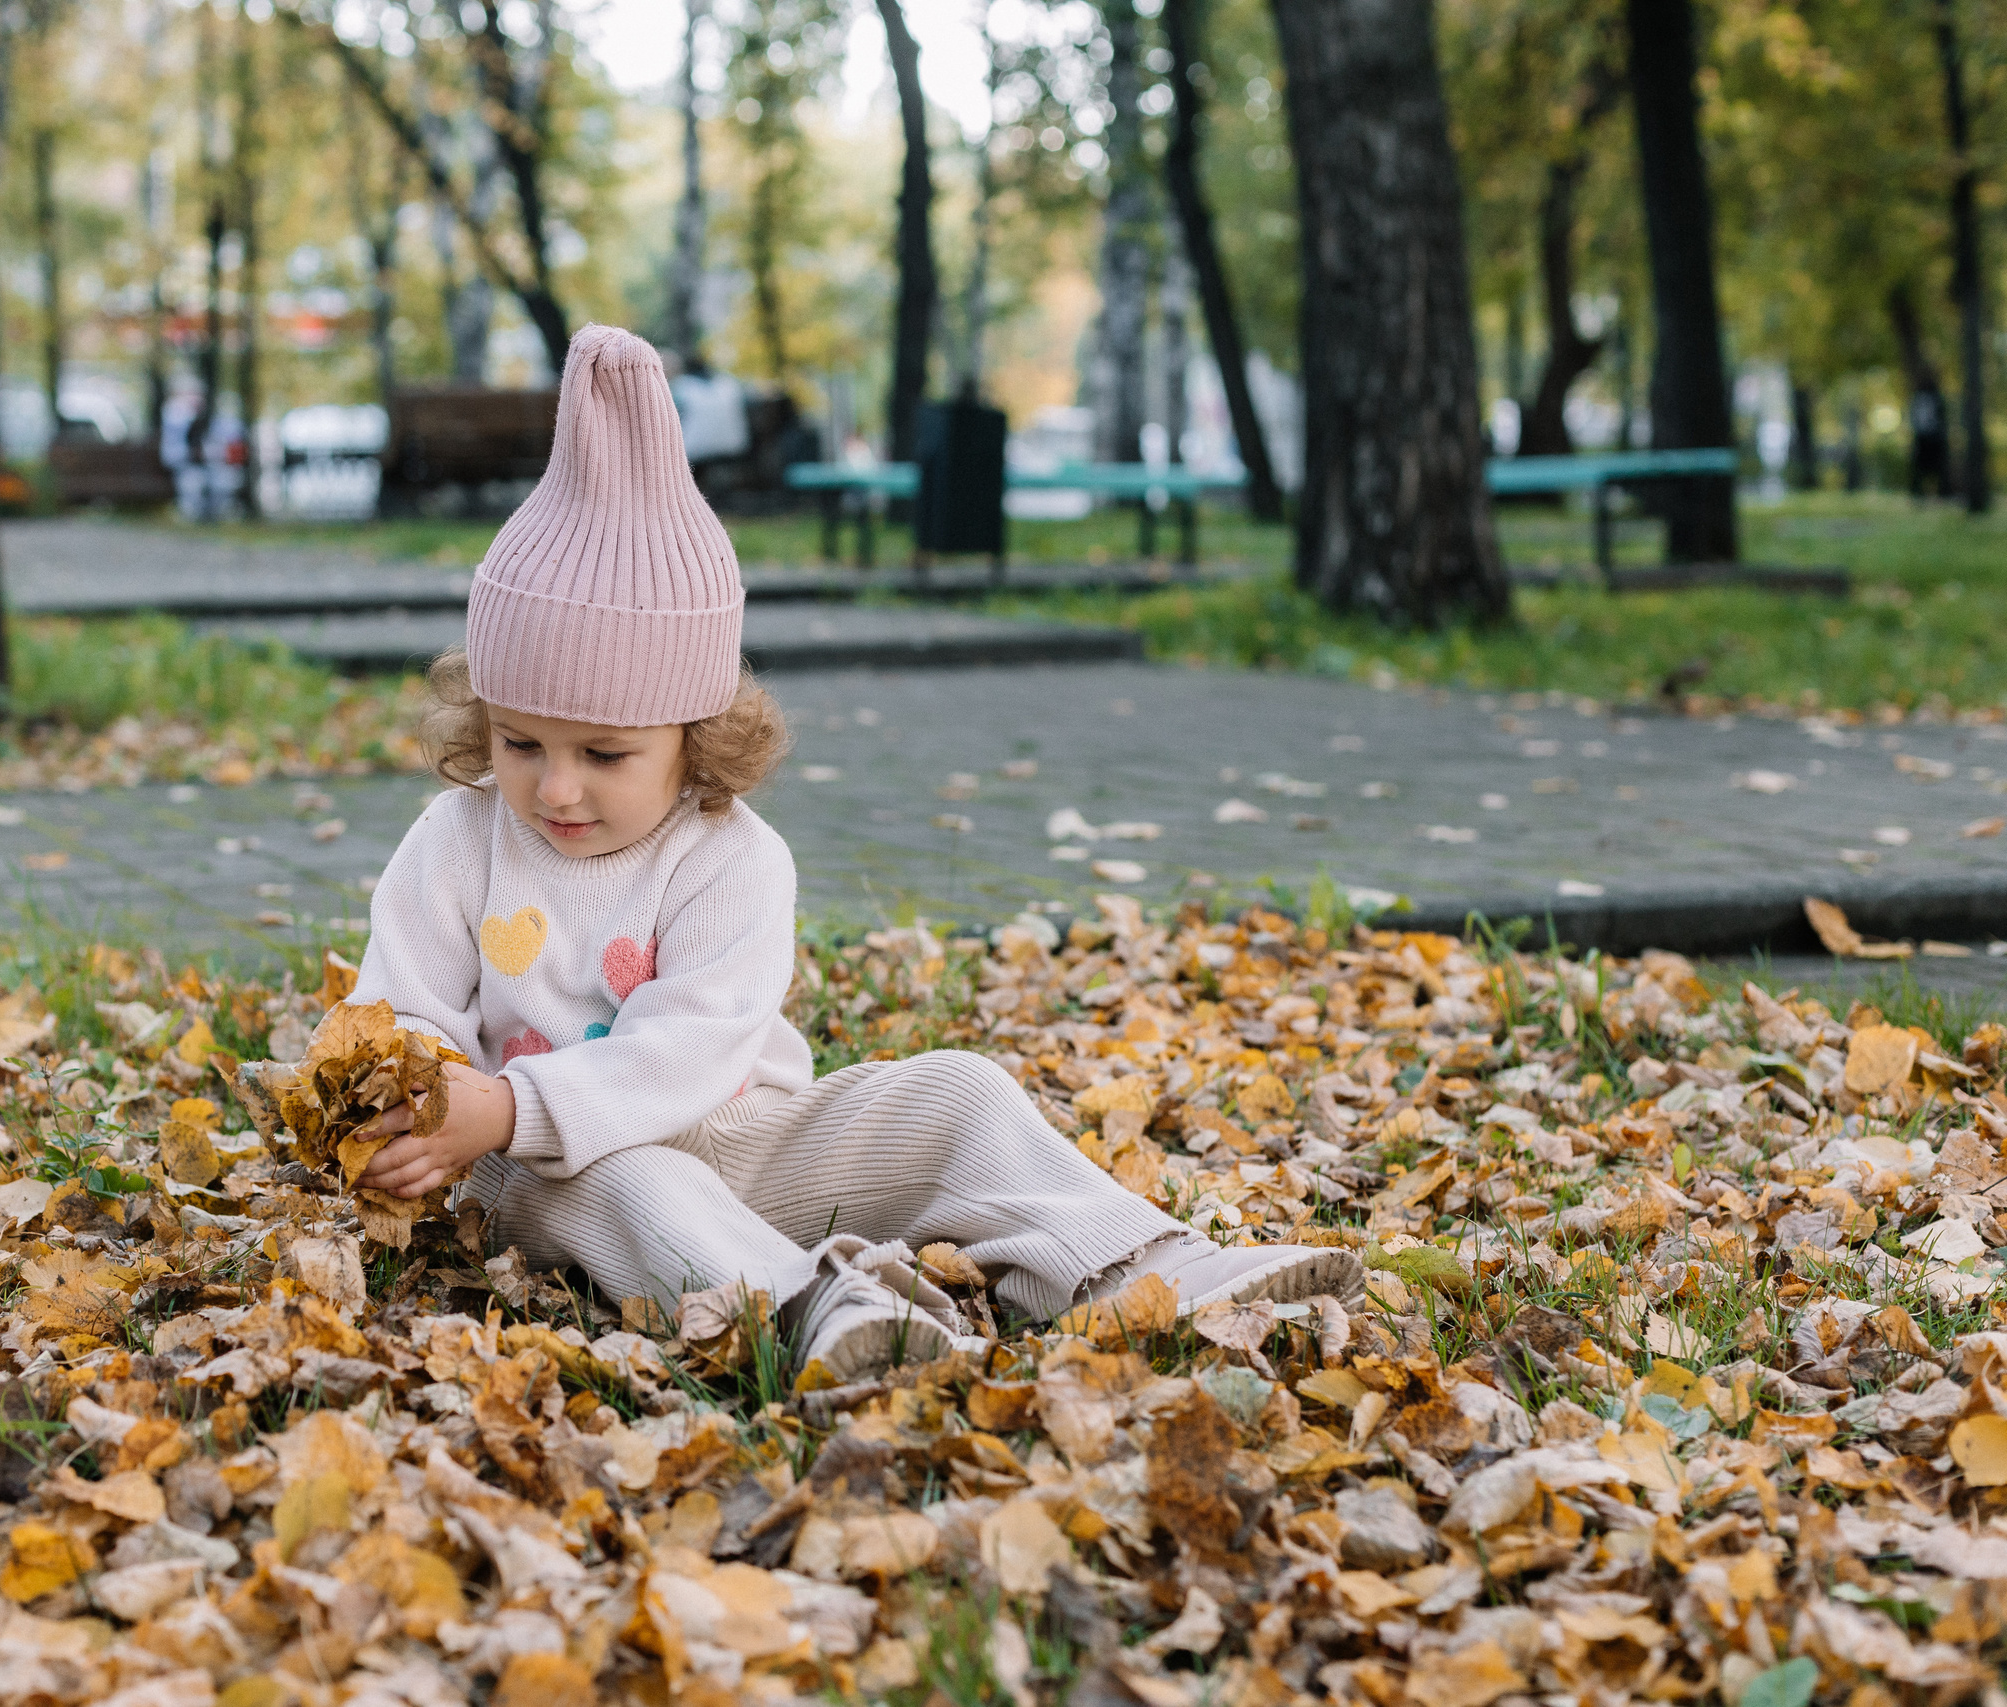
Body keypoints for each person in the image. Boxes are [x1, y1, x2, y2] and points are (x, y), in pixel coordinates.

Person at [348, 324, 1361, 1381]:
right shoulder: (458, 840)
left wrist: (514, 1097)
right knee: (639, 1183)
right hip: (535, 1170)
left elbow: (690, 1046)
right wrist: (433, 1104)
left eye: (604, 754)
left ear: (696, 734)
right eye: (520, 743)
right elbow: (398, 1007)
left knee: (960, 1090)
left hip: (748, 1135)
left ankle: (1136, 1264)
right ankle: (816, 1310)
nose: (556, 787)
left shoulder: (731, 857)